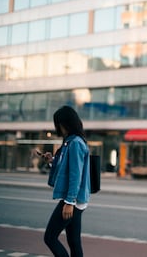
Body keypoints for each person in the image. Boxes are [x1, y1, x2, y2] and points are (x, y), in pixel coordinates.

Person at [43, 105, 90, 257]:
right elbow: (66, 167)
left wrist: (69, 202)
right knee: (74, 241)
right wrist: (52, 160)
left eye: (58, 124)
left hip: (72, 199)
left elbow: (75, 174)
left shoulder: (75, 143)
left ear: (65, 123)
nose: (58, 128)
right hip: (75, 199)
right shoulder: (71, 142)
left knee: (50, 238)